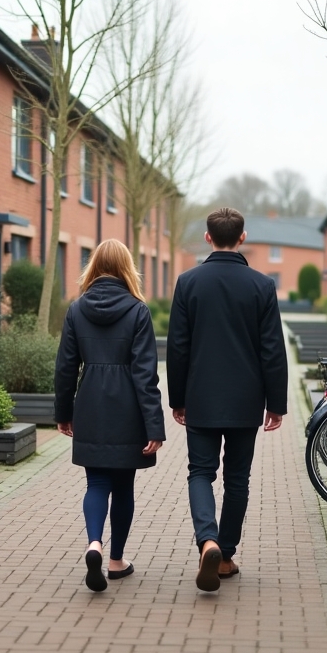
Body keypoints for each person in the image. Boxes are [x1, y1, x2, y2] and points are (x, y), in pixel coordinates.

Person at [166, 207, 288, 592]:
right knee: (237, 479)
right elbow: (272, 349)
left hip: (200, 396)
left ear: (207, 238)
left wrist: (177, 398)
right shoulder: (262, 285)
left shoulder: (188, 282)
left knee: (200, 472)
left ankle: (208, 541)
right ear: (242, 237)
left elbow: (178, 347)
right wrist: (276, 403)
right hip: (245, 400)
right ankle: (225, 555)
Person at [55, 239, 165, 593]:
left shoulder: (76, 309)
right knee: (123, 487)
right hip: (128, 409)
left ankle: (94, 544)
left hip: (90, 405)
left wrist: (63, 412)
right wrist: (154, 426)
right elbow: (146, 374)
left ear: (94, 266)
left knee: (96, 483)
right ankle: (116, 561)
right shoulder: (138, 311)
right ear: (127, 267)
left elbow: (65, 367)